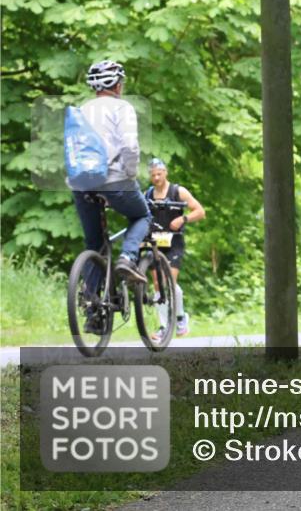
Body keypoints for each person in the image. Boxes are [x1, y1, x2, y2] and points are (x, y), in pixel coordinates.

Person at [71, 60, 151, 333]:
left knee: (94, 244)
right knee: (142, 215)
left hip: (81, 183)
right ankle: (128, 258)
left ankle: (94, 311)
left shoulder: (80, 110)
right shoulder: (122, 107)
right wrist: (130, 174)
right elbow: (129, 145)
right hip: (115, 179)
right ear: (117, 84)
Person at [145, 157, 206, 338]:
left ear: (166, 173)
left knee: (168, 282)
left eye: (159, 174)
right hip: (155, 242)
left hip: (174, 242)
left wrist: (182, 219)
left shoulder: (177, 191)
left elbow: (200, 211)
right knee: (157, 284)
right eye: (153, 175)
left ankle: (180, 318)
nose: (156, 178)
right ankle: (165, 326)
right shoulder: (148, 194)